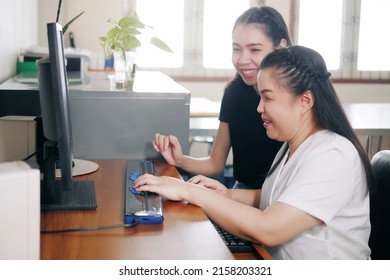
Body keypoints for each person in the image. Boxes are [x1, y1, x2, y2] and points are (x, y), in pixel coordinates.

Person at [134, 46, 374, 259]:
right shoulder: (295, 144)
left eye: (267, 98)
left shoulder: (333, 155)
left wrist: (190, 190)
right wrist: (227, 195)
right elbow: (280, 197)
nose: (259, 107)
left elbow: (268, 229)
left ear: (305, 101)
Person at [153, 6, 292, 189]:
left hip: (285, 195)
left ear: (280, 48)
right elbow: (215, 163)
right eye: (236, 49)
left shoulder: (297, 95)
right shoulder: (234, 93)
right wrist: (179, 159)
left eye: (255, 50)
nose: (242, 60)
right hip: (244, 189)